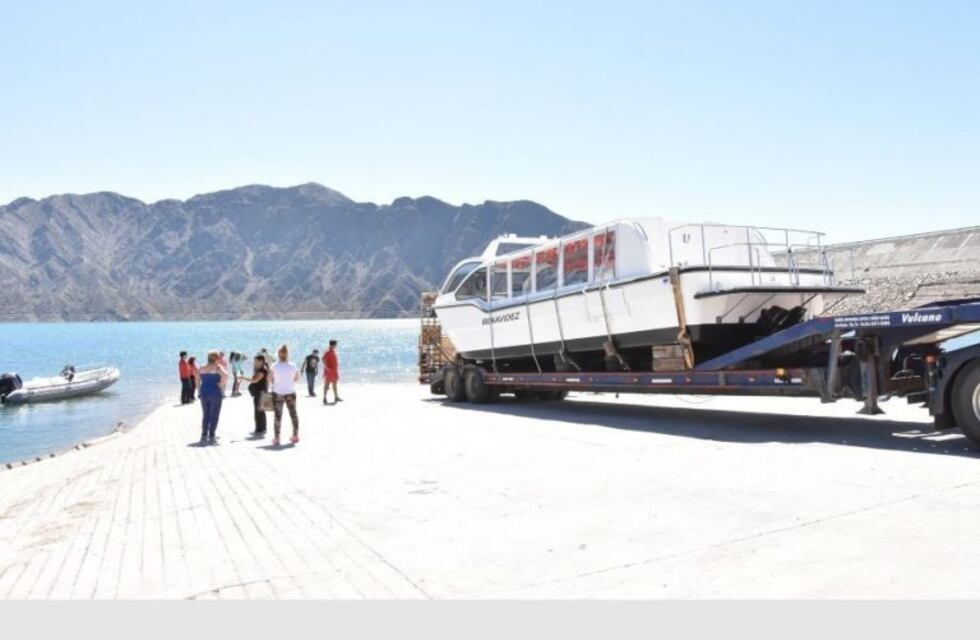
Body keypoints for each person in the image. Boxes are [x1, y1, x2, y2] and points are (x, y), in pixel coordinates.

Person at [195, 350, 228, 445]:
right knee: (214, 414)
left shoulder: (202, 367)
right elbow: (226, 375)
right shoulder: (218, 367)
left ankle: (204, 435)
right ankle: (212, 435)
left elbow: (197, 379)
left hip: (204, 392)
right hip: (215, 392)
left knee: (206, 414)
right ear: (217, 358)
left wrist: (199, 391)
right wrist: (221, 385)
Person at [269, 344, 300, 446]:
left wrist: (277, 381)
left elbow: (270, 379)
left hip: (278, 392)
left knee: (278, 416)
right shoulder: (293, 365)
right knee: (293, 414)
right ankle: (295, 436)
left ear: (278, 354)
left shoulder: (274, 366)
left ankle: (277, 438)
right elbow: (297, 379)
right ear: (287, 354)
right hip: (290, 392)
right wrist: (288, 380)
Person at [240, 354, 270, 437]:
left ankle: (259, 429)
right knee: (260, 411)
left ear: (261, 361)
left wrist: (243, 378)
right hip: (261, 392)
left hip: (260, 392)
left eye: (256, 361)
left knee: (258, 411)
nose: (254, 362)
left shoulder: (262, 370)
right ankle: (262, 428)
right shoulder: (261, 369)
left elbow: (255, 380)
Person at [322, 340, 342, 404]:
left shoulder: (333, 351)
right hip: (329, 371)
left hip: (334, 370)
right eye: (336, 345)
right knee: (327, 385)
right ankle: (324, 398)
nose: (336, 346)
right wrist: (326, 367)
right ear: (333, 345)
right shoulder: (328, 351)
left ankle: (336, 397)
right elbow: (323, 359)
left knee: (335, 384)